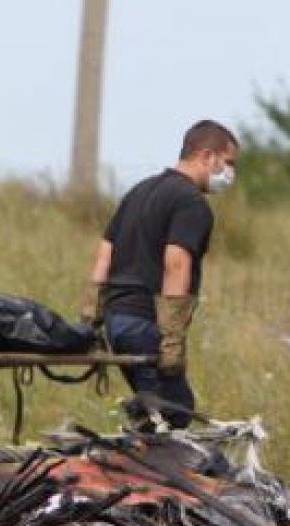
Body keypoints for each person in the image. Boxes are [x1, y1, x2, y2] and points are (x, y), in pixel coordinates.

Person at [80, 120, 239, 429]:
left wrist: (90, 322)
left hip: (117, 323)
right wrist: (172, 339)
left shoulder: (138, 192)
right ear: (207, 156)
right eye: (229, 163)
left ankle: (141, 439)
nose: (231, 173)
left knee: (156, 412)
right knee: (175, 412)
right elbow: (176, 264)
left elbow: (104, 257)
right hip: (144, 323)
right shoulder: (191, 203)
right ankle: (140, 453)